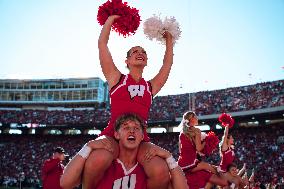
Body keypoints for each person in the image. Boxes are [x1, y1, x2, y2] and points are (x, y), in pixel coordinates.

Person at [81, 14, 174, 189]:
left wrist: (169, 39)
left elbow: (167, 65)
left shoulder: (151, 86)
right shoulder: (117, 78)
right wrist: (111, 19)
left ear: (146, 61)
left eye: (143, 52)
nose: (140, 53)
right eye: (135, 52)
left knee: (160, 170)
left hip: (140, 138)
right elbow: (102, 45)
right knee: (97, 160)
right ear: (127, 61)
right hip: (112, 134)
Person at [60, 113, 188, 189]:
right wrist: (87, 146)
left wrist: (169, 157)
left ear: (142, 136)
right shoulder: (105, 164)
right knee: (99, 157)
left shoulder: (148, 167)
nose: (131, 131)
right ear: (116, 134)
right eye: (126, 127)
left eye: (136, 128)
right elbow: (65, 183)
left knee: (159, 167)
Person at [177, 111, 228, 188]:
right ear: (192, 119)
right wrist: (206, 141)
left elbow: (181, 150)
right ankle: (226, 184)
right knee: (214, 170)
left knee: (212, 168)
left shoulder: (182, 132)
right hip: (191, 162)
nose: (197, 118)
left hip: (181, 163)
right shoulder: (196, 131)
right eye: (196, 117)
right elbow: (199, 148)